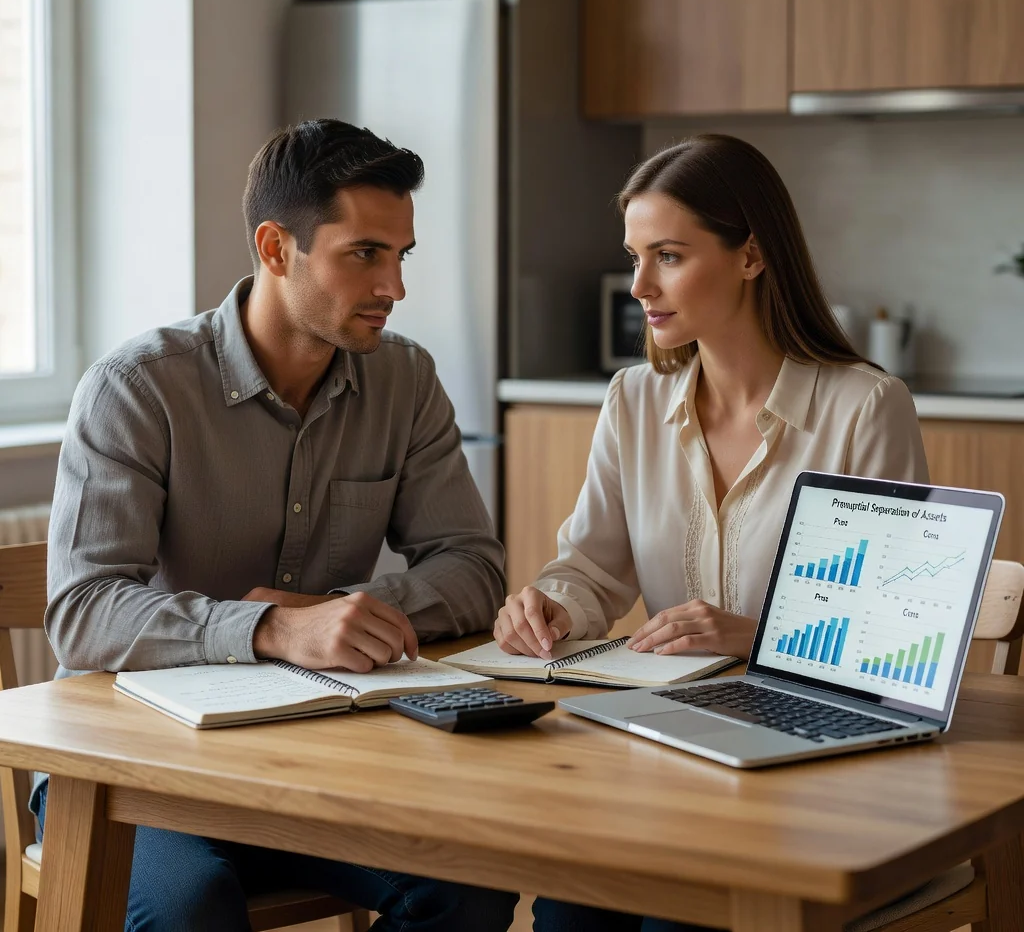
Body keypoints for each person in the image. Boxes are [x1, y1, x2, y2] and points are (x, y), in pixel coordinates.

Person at [38, 119, 518, 932]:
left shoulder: (405, 378)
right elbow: (82, 613)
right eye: (364, 253)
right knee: (188, 908)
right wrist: (271, 629)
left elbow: (472, 566)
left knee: (472, 884)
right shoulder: (137, 387)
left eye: (401, 256)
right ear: (274, 248)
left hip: (327, 755)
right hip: (138, 771)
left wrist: (349, 612)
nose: (394, 287)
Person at [495, 133, 928, 932]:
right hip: (666, 750)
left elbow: (895, 637)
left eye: (668, 255)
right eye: (635, 256)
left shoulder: (865, 408)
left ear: (752, 256)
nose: (639, 286)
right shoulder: (632, 402)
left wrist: (757, 636)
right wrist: (551, 605)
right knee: (566, 909)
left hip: (818, 770)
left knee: (668, 917)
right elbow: (591, 570)